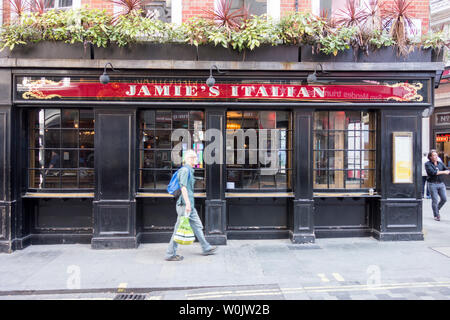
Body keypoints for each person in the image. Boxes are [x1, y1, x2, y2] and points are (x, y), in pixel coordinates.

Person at [165, 150, 217, 261]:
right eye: (193, 157)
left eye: (195, 157)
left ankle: (206, 247)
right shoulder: (185, 170)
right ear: (188, 159)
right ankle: (170, 254)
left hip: (189, 205)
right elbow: (183, 188)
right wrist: (188, 203)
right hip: (185, 205)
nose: (195, 159)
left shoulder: (189, 170)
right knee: (178, 229)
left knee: (197, 226)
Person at [425, 150, 450, 221]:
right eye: (434, 155)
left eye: (436, 155)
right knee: (435, 200)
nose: (436, 157)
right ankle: (436, 215)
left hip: (441, 184)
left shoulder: (440, 163)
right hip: (432, 184)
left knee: (444, 199)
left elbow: (446, 169)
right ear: (430, 157)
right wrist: (443, 172)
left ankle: (436, 209)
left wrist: (446, 171)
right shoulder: (428, 164)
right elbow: (433, 172)